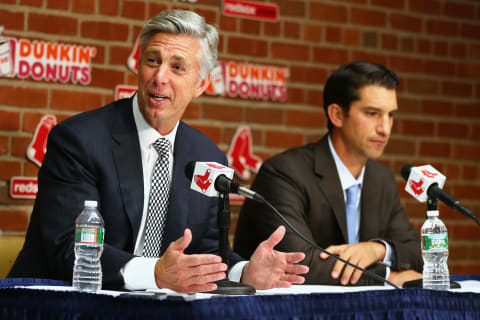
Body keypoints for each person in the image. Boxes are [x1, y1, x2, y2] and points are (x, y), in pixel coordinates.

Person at [8, 10, 308, 292]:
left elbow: (205, 249)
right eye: (152, 60)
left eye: (177, 67)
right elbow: (68, 246)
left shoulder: (208, 157)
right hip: (56, 302)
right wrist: (154, 274)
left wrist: (243, 272)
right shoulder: (79, 141)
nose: (160, 76)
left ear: (201, 84)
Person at [234, 61, 423, 287]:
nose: (385, 128)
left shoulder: (381, 179)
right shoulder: (284, 172)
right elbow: (299, 263)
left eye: (390, 115)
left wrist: (378, 249)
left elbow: (415, 251)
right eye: (372, 113)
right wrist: (388, 277)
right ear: (337, 115)